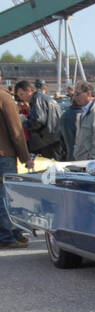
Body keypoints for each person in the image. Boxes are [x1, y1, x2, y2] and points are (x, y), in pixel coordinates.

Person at [0, 67, 33, 248]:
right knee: (6, 196)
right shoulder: (4, 97)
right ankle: (8, 236)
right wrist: (25, 157)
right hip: (4, 154)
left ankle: (11, 232)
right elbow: (16, 130)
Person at [14, 79, 62, 159]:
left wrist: (22, 123)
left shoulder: (37, 99)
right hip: (55, 139)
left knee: (46, 168)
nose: (22, 98)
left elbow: (38, 121)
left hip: (45, 142)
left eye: (22, 94)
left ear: (29, 90)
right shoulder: (46, 98)